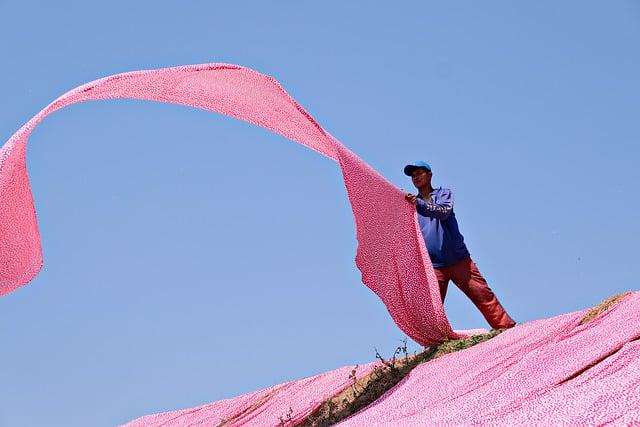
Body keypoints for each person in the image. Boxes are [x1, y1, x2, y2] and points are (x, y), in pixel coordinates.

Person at [403, 161, 516, 329]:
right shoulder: (411, 205)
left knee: (482, 294)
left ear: (430, 175)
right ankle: (434, 344)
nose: (416, 177)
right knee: (431, 307)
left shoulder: (443, 194)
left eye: (419, 173)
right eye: (413, 176)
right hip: (432, 265)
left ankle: (505, 328)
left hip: (458, 259)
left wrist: (419, 204)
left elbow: (443, 212)